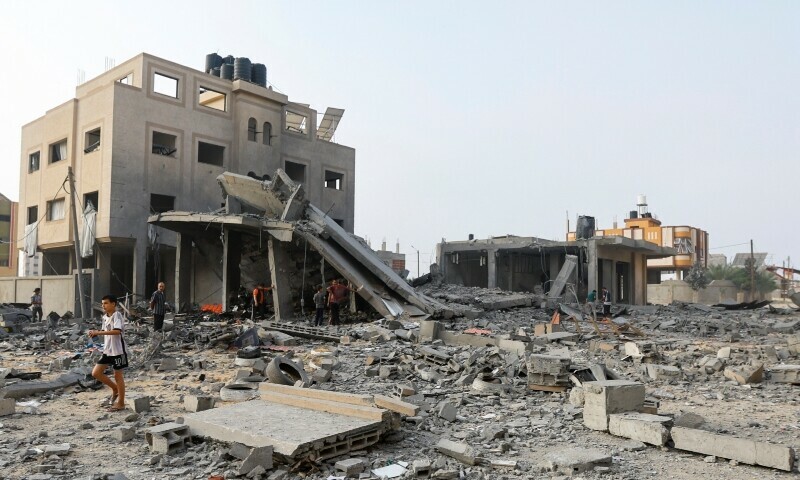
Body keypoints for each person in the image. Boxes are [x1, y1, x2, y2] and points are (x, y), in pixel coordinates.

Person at [90, 294, 128, 412]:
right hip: (108, 350)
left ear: (113, 304)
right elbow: (104, 330)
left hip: (118, 351)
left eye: (106, 303)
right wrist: (95, 333)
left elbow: (117, 331)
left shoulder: (117, 315)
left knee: (118, 376)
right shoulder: (105, 317)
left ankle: (121, 403)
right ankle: (115, 389)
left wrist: (99, 333)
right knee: (96, 373)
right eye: (102, 303)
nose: (103, 306)